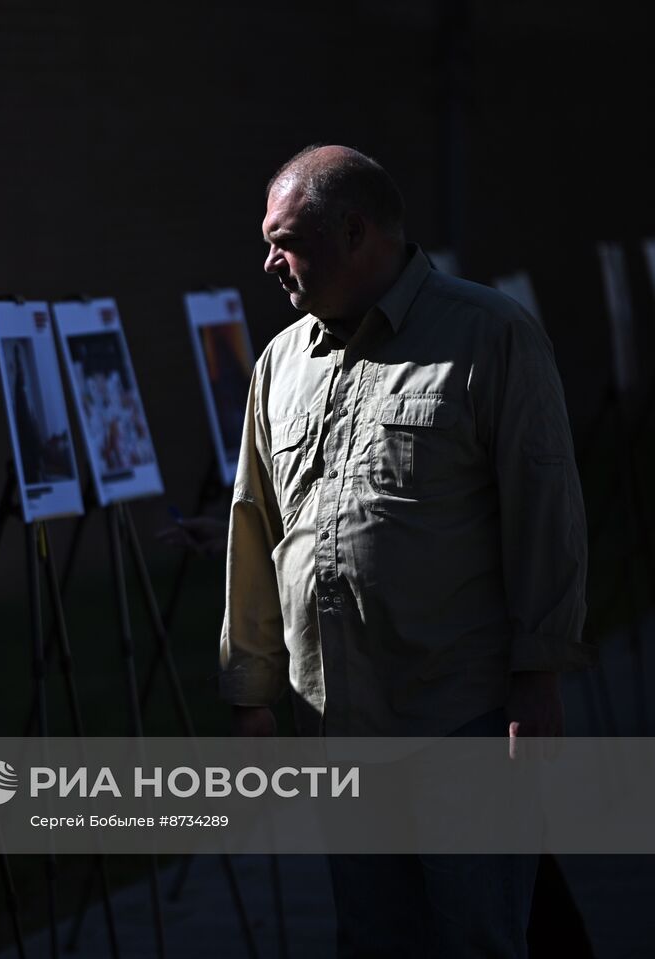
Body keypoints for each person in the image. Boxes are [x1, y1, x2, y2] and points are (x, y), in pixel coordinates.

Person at [219, 144, 592, 957]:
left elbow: (545, 513)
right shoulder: (280, 363)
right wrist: (252, 690)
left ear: (355, 232)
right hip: (337, 722)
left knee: (478, 937)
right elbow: (255, 523)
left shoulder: (490, 336)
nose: (268, 261)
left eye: (285, 240)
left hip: (460, 714)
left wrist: (538, 679)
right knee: (375, 938)